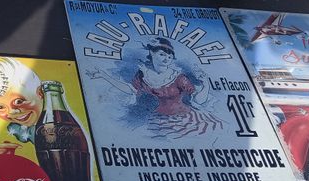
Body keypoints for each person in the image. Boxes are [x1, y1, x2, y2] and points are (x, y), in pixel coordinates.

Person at [88, 37, 220, 138]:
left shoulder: (178, 77)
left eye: (169, 56)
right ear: (152, 53)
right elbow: (130, 90)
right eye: (162, 55)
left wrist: (206, 84)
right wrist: (105, 76)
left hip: (187, 120)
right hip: (158, 120)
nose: (166, 59)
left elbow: (198, 100)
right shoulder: (143, 73)